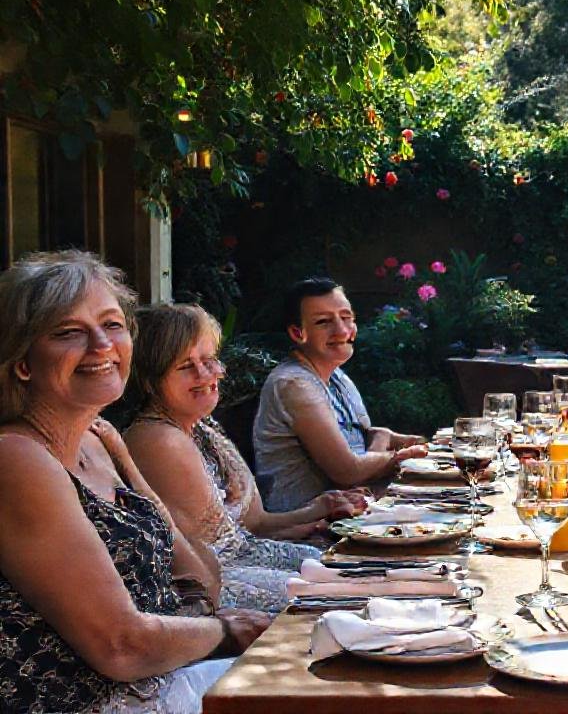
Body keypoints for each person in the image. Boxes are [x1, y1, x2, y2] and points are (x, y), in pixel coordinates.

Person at [0, 250, 268, 713]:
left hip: (165, 679)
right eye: (68, 332)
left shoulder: (99, 444)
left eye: (112, 324)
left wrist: (127, 465)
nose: (102, 345)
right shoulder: (17, 458)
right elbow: (120, 645)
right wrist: (225, 632)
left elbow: (201, 577)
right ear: (22, 362)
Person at [125, 303, 366, 612]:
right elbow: (217, 553)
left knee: (353, 569)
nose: (206, 374)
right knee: (343, 594)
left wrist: (319, 509)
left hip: (245, 558)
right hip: (210, 585)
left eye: (209, 360)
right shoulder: (158, 439)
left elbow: (254, 523)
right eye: (186, 366)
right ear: (150, 380)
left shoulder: (201, 427)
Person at [255, 277, 429, 511]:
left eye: (346, 318)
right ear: (298, 333)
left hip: (354, 510)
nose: (342, 330)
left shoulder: (336, 376)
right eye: (324, 322)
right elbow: (348, 472)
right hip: (311, 528)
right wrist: (395, 452)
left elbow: (365, 443)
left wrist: (412, 442)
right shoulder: (294, 384)